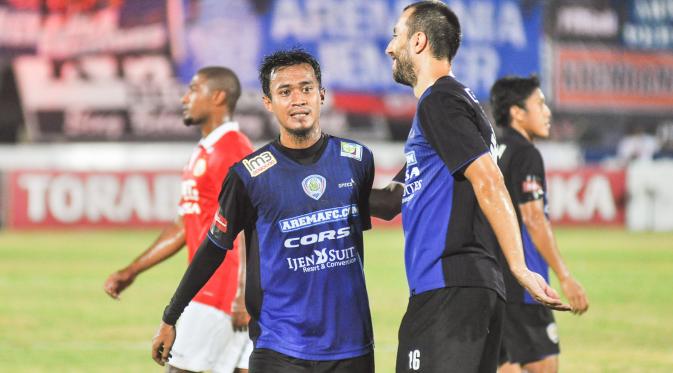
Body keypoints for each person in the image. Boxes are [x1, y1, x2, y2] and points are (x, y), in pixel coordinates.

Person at [151, 49, 376, 373]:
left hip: (351, 347)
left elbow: (372, 211)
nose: (298, 99)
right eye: (285, 92)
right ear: (269, 103)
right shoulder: (249, 175)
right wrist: (170, 317)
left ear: (321, 95)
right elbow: (213, 249)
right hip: (279, 348)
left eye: (306, 88)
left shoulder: (356, 160)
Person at [382, 2, 570, 372]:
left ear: (418, 41)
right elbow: (392, 200)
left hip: (451, 291)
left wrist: (519, 265)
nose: (390, 48)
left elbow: (489, 179)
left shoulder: (440, 101)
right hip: (461, 292)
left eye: (396, 37)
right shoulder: (452, 109)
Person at [103, 66, 254, 373]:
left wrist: (243, 295)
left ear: (218, 97)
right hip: (212, 291)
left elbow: (249, 223)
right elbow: (185, 224)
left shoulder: (231, 149)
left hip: (220, 295)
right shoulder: (205, 150)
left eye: (193, 90)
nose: (184, 98)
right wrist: (133, 270)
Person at [490, 75, 589, 373]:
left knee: (506, 365)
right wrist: (565, 276)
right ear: (517, 112)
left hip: (491, 280)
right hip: (525, 284)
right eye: (540, 104)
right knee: (544, 366)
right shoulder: (525, 154)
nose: (547, 112)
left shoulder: (493, 151)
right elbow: (533, 218)